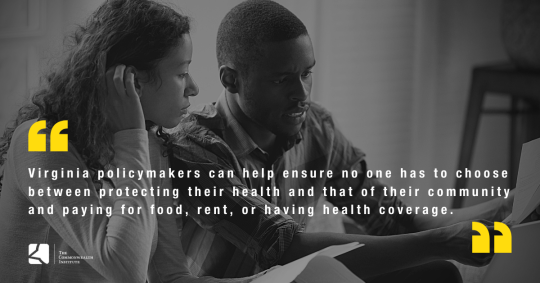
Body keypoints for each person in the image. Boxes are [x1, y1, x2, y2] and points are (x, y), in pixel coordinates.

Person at [164, 0, 520, 282]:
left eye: (306, 74)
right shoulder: (194, 149)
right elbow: (285, 249)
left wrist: (508, 211)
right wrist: (441, 243)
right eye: (282, 80)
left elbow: (395, 221)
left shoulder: (317, 128)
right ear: (231, 80)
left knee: (437, 274)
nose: (301, 94)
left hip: (305, 279)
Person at [0, 1, 261, 282]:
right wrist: (131, 137)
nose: (193, 88)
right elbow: (124, 271)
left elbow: (171, 276)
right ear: (131, 82)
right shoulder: (39, 142)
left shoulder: (148, 148)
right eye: (182, 73)